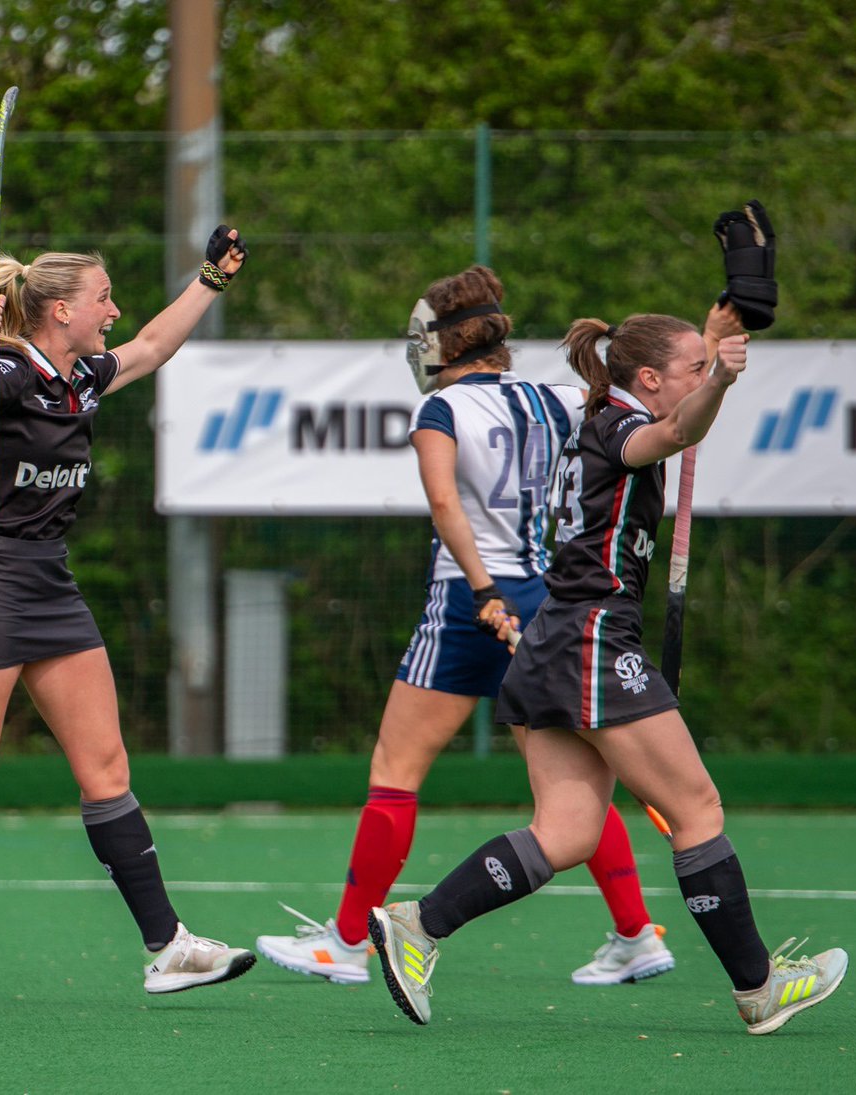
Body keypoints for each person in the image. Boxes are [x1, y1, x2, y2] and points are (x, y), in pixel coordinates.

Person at [369, 312, 849, 1034]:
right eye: (687, 369)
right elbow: (678, 431)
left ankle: (419, 923)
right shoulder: (620, 428)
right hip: (593, 641)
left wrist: (710, 351)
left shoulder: (604, 418)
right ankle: (759, 987)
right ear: (649, 378)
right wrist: (718, 374)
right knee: (698, 811)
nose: (698, 380)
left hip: (556, 641)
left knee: (565, 834)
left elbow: (683, 417)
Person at [256, 265, 675, 988]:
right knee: (573, 786)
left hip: (467, 603)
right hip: (549, 601)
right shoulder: (560, 398)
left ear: (444, 343)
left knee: (395, 769)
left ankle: (351, 940)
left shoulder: (441, 410)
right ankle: (637, 932)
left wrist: (482, 588)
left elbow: (448, 507)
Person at [0, 227, 256, 1013]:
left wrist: (211, 280)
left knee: (107, 769)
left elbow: (153, 346)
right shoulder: (8, 368)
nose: (115, 311)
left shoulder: (81, 376)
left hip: (51, 579)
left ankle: (168, 946)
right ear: (60, 309)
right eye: (103, 299)